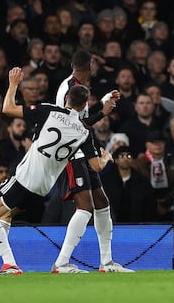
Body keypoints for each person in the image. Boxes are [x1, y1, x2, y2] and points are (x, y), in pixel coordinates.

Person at [0, 67, 112, 275]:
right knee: (5, 216)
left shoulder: (49, 111)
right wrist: (105, 158)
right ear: (84, 106)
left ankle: (10, 264)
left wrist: (14, 84)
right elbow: (96, 166)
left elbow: (7, 109)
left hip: (25, 178)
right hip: (44, 188)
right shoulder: (84, 131)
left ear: (67, 98)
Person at [51, 50, 130, 274]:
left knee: (102, 203)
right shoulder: (70, 88)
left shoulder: (73, 85)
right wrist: (103, 113)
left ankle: (106, 263)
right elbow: (72, 125)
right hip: (72, 152)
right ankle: (61, 263)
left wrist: (103, 103)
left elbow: (79, 119)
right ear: (91, 66)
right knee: (85, 208)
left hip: (81, 151)